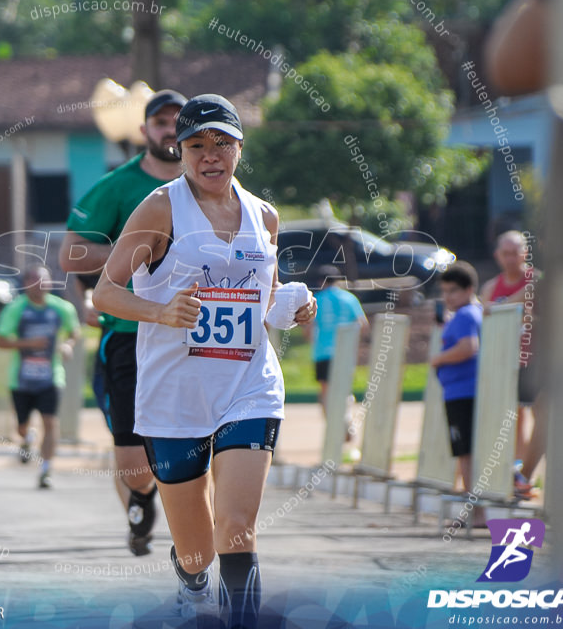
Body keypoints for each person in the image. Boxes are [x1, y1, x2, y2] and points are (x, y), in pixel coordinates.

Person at [93, 94, 316, 626]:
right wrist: (161, 311)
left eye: (221, 143)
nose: (209, 156)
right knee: (198, 550)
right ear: (180, 149)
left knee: (236, 525)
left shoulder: (264, 214)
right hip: (176, 394)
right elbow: (104, 293)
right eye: (196, 145)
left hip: (248, 385)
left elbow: (267, 296)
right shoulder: (161, 207)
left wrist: (295, 307)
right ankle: (191, 580)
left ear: (239, 146)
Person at [58, 89, 187, 555]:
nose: (170, 129)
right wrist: (135, 253)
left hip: (197, 337)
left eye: (178, 120)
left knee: (197, 441)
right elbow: (70, 254)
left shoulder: (211, 184)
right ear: (144, 130)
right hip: (131, 336)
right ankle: (139, 500)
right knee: (135, 461)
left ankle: (192, 530)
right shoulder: (119, 186)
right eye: (161, 122)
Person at [0, 265, 80, 489]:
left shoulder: (62, 308)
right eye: (34, 281)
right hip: (21, 378)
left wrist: (67, 345)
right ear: (26, 284)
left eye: (44, 280)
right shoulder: (16, 308)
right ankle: (27, 437)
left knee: (50, 422)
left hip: (51, 376)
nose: (40, 285)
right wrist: (29, 343)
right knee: (21, 426)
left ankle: (46, 469)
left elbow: (74, 332)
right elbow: (1, 341)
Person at [478, 230, 542, 499]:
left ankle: (524, 477)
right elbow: (485, 311)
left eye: (515, 252)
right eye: (505, 253)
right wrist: (512, 302)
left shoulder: (537, 280)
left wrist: (503, 306)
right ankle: (516, 477)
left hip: (537, 360)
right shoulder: (492, 286)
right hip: (506, 360)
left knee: (541, 415)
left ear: (525, 253)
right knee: (512, 418)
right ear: (497, 255)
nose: (510, 258)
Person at [430, 262, 485, 526]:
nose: (447, 297)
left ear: (469, 289)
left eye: (453, 291)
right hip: (460, 391)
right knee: (466, 451)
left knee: (466, 453)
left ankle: (476, 512)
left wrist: (438, 360)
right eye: (444, 291)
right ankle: (476, 509)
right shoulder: (466, 314)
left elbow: (468, 347)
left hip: (463, 392)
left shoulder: (465, 315)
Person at [307, 264, 368, 442]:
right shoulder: (349, 299)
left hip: (323, 352)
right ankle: (347, 422)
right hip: (345, 353)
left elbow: (309, 329)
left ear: (320, 281)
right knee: (344, 389)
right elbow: (363, 324)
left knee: (325, 392)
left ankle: (333, 427)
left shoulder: (317, 300)